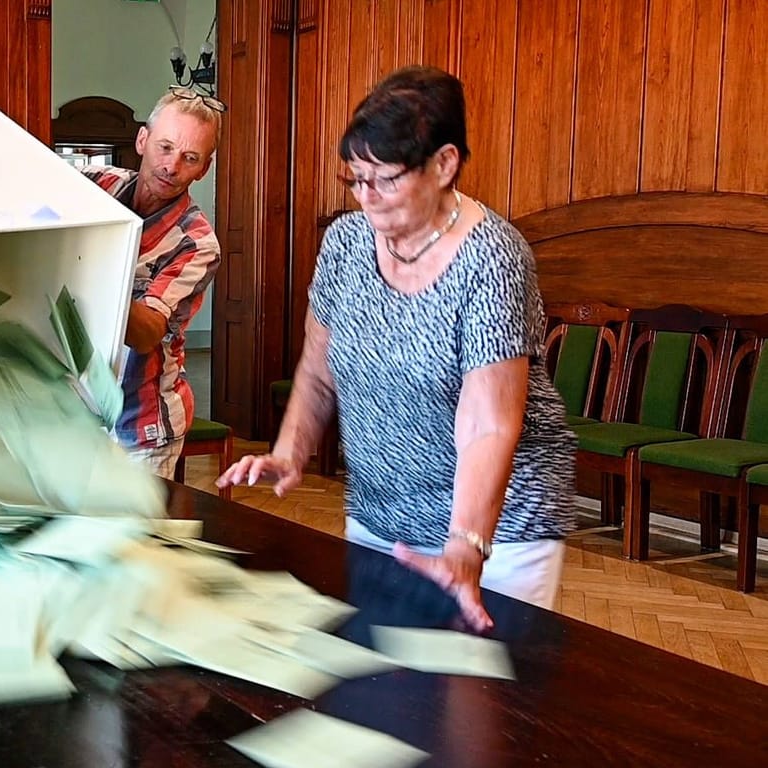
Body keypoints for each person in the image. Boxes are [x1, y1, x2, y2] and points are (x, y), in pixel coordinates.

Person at [218, 66, 575, 630]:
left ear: (444, 164)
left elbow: (488, 422)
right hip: (381, 513)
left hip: (494, 533)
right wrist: (289, 453)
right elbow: (318, 371)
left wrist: (465, 549)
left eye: (384, 179)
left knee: (482, 705)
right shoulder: (346, 243)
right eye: (355, 179)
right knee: (380, 696)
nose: (367, 199)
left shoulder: (492, 259)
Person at [81, 86, 224, 479]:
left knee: (131, 540)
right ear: (142, 140)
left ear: (203, 169)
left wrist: (81, 275)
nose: (171, 165)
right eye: (164, 147)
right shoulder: (96, 183)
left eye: (189, 157)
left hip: (141, 428)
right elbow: (24, 174)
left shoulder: (197, 242)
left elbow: (146, 333)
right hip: (76, 417)